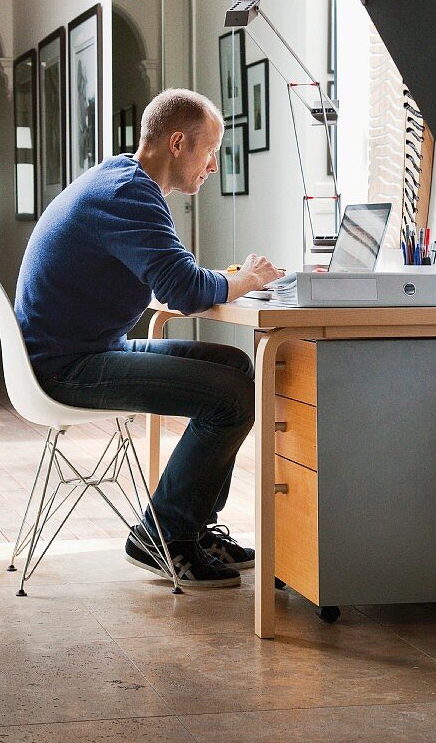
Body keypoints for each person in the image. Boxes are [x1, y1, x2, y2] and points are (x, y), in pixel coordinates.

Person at [15, 88, 283, 588]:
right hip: (66, 368)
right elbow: (182, 289)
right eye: (210, 151)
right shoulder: (128, 195)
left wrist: (215, 280)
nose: (212, 165)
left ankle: (193, 528)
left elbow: (174, 278)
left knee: (235, 367)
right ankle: (164, 535)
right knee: (233, 398)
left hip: (83, 350)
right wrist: (245, 279)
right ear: (178, 143)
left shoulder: (123, 181)